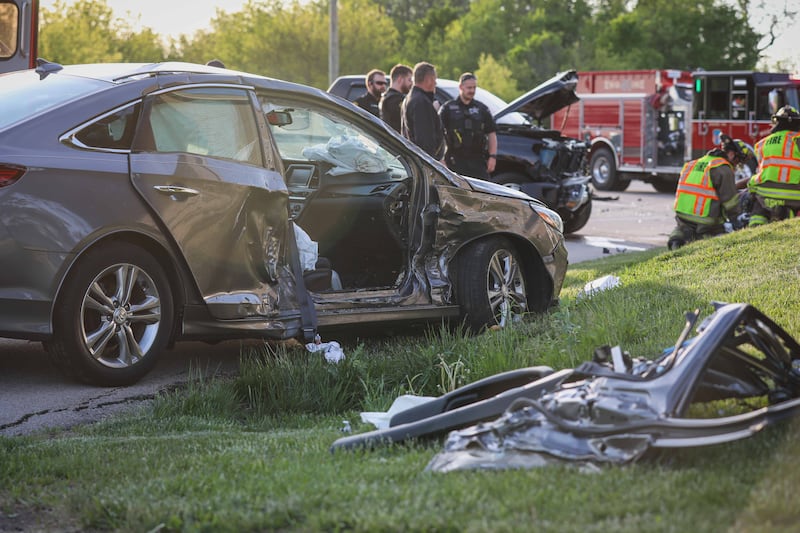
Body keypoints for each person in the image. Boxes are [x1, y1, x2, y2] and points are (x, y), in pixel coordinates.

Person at [667, 135, 751, 250]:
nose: (736, 165)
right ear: (731, 154)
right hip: (704, 219)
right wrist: (736, 220)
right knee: (717, 232)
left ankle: (676, 239)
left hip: (682, 214)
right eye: (738, 160)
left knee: (683, 228)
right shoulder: (723, 168)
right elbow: (730, 202)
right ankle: (702, 239)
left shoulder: (693, 163)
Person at [744, 105, 800, 226]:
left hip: (764, 192)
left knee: (758, 205)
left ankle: (755, 227)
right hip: (793, 194)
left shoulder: (761, 143)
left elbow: (760, 171)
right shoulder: (797, 139)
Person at [438, 72, 497, 179]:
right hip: (454, 161)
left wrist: (493, 156)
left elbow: (491, 133)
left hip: (478, 162)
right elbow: (438, 134)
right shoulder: (447, 108)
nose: (472, 91)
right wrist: (441, 159)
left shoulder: (482, 109)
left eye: (474, 87)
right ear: (461, 87)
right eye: (469, 87)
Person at [401, 61, 444, 160]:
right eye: (434, 79)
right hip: (424, 163)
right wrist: (433, 165)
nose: (435, 83)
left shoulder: (410, 98)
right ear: (429, 79)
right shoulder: (421, 102)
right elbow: (425, 142)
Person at [379, 64, 412, 132]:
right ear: (400, 79)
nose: (411, 83)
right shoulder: (394, 100)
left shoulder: (386, 96)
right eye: (409, 80)